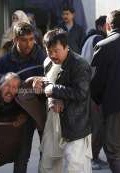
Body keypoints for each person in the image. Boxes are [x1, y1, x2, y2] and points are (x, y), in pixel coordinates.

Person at [33, 28, 92, 173]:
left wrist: (54, 91)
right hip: (52, 122)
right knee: (47, 165)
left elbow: (81, 93)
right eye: (49, 50)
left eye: (56, 50)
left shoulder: (80, 64)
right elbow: (48, 88)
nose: (52, 55)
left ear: (66, 47)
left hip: (75, 124)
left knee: (76, 166)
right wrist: (39, 87)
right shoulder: (47, 62)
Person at [0, 22, 46, 173]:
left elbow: (51, 82)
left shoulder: (42, 56)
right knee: (22, 154)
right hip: (18, 111)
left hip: (41, 109)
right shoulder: (6, 60)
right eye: (24, 40)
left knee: (47, 152)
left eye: (31, 39)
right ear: (16, 39)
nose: (29, 43)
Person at [90, 9, 120, 173]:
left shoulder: (104, 45)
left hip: (116, 108)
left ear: (108, 26)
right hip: (117, 107)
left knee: (115, 153)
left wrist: (96, 100)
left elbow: (97, 82)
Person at [81, 15, 108, 170]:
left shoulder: (90, 38)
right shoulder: (98, 40)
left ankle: (94, 157)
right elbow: (98, 68)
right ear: (100, 26)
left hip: (89, 88)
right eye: (107, 25)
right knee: (96, 126)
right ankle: (91, 159)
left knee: (96, 125)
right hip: (93, 90)